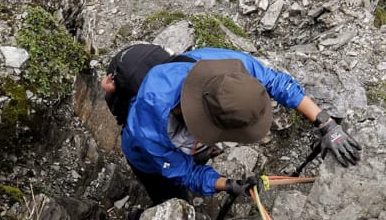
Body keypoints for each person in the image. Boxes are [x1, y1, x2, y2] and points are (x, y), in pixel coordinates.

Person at [100, 46, 361, 205]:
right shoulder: (148, 128)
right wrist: (228, 184)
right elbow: (184, 174)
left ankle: (197, 153)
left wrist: (326, 123)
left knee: (191, 159)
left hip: (173, 120)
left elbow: (277, 83)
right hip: (146, 159)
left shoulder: (229, 70)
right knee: (172, 198)